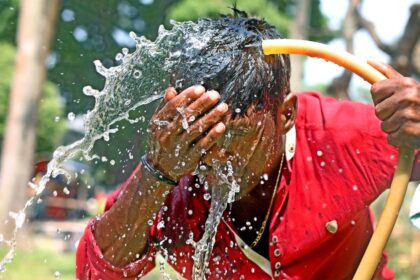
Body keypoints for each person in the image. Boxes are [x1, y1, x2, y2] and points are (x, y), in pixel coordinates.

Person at [76, 11, 420, 280]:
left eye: (236, 138)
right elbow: (96, 272)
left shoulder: (341, 137)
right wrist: (157, 172)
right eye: (201, 135)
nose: (213, 157)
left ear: (286, 115)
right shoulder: (171, 172)